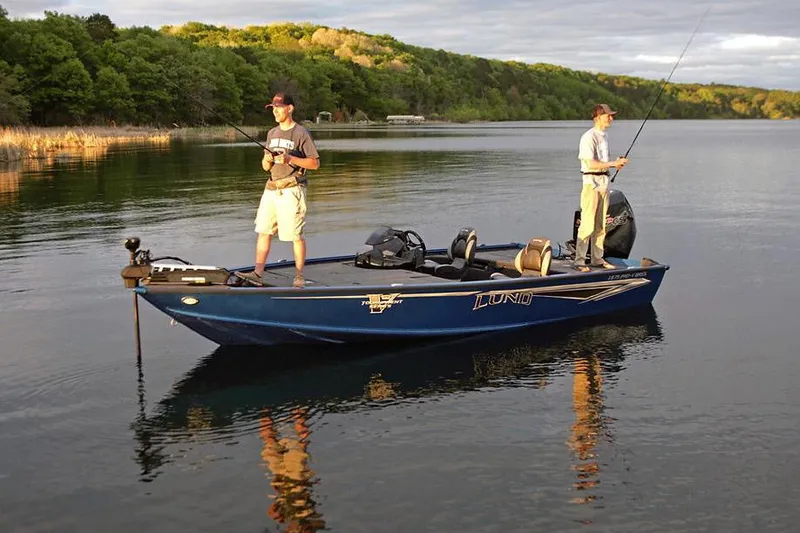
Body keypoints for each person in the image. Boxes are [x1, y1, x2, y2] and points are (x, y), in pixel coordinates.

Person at [241, 92, 320, 288]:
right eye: (273, 108)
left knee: (295, 235)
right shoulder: (271, 133)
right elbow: (265, 167)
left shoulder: (301, 133)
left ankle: (299, 276)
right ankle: (258, 273)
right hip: (271, 188)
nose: (275, 111)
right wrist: (267, 160)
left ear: (290, 108)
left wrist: (290, 159)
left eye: (279, 107)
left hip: (292, 189)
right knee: (263, 230)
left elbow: (315, 163)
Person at [574, 103, 628, 272]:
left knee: (601, 226)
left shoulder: (603, 136)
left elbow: (602, 163)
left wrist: (614, 164)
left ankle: (597, 259)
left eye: (611, 115)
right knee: (588, 225)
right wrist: (613, 163)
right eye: (608, 116)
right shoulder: (588, 137)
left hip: (604, 184)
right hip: (591, 185)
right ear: (598, 118)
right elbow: (590, 163)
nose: (611, 118)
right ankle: (580, 261)